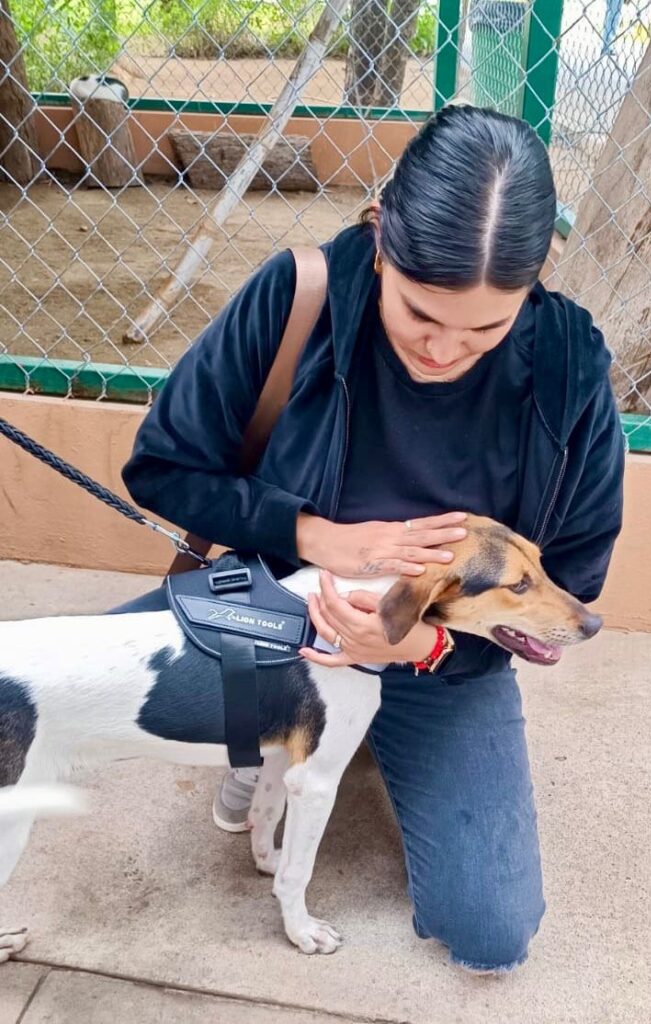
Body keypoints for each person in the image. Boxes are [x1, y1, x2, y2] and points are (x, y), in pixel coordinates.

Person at [114, 104, 625, 973]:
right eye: (420, 314)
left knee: (490, 933)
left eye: (486, 330)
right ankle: (269, 735)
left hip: (439, 654)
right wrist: (317, 535)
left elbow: (574, 570)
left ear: (531, 285)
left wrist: (420, 644)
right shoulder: (299, 292)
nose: (445, 351)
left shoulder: (569, 359)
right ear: (383, 242)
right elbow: (162, 468)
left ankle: (360, 733)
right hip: (272, 611)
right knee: (55, 688)